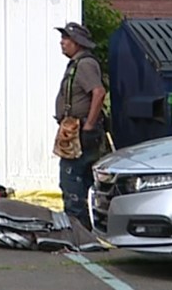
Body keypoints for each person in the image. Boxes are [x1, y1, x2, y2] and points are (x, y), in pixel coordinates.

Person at [53, 22, 107, 230]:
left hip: (80, 130)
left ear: (77, 42)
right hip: (72, 129)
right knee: (80, 180)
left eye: (66, 38)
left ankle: (78, 230)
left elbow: (98, 92)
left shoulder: (85, 64)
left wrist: (89, 127)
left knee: (71, 180)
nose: (62, 42)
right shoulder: (77, 64)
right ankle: (82, 229)